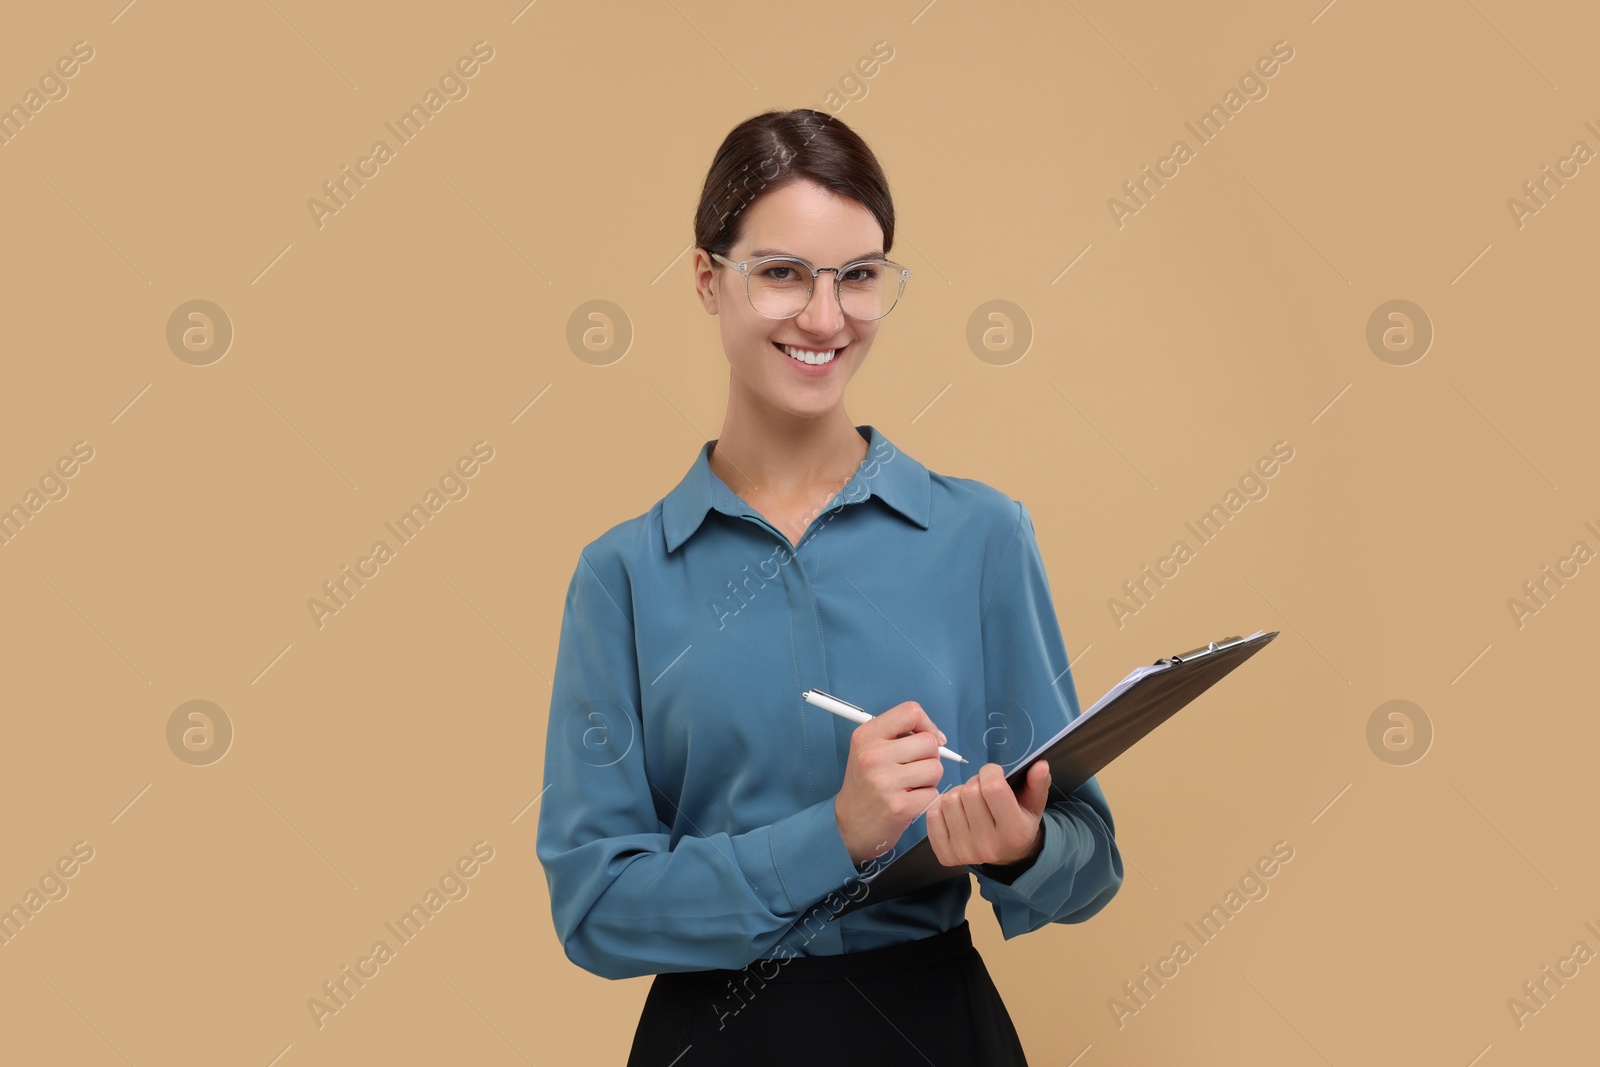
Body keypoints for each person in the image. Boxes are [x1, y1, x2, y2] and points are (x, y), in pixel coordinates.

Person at [536, 108, 1123, 1066]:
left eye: (858, 276)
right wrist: (834, 836)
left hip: (939, 1030)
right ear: (704, 278)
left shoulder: (982, 538)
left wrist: (1018, 848)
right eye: (781, 273)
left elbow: (1090, 857)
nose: (825, 316)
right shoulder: (622, 578)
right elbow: (596, 911)